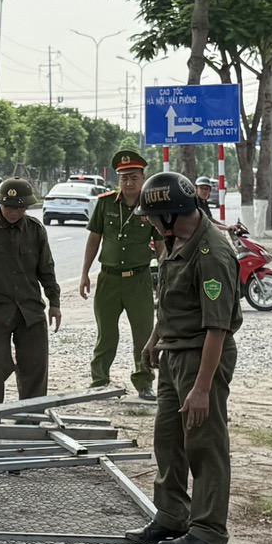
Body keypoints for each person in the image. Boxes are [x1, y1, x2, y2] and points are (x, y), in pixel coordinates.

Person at [125, 170, 239, 544]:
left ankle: (207, 530)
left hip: (201, 357)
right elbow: (171, 300)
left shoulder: (213, 255)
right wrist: (155, 339)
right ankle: (172, 515)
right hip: (174, 352)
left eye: (153, 217)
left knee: (204, 444)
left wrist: (203, 388)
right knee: (168, 440)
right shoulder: (173, 241)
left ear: (171, 213)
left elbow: (217, 327)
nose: (151, 224)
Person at [0, 176, 60, 405]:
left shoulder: (35, 230)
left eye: (19, 208)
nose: (13, 212)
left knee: (35, 366)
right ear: (0, 204)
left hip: (30, 310)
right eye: (8, 207)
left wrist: (54, 302)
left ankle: (30, 418)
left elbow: (46, 268)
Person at [80, 148, 158, 398]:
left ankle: (144, 381)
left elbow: (163, 244)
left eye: (134, 177)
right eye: (124, 177)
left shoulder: (151, 207)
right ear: (118, 179)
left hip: (139, 279)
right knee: (106, 333)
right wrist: (84, 274)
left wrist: (166, 275)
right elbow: (94, 239)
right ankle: (100, 380)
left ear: (143, 177)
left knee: (143, 333)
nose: (129, 182)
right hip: (108, 279)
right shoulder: (105, 204)